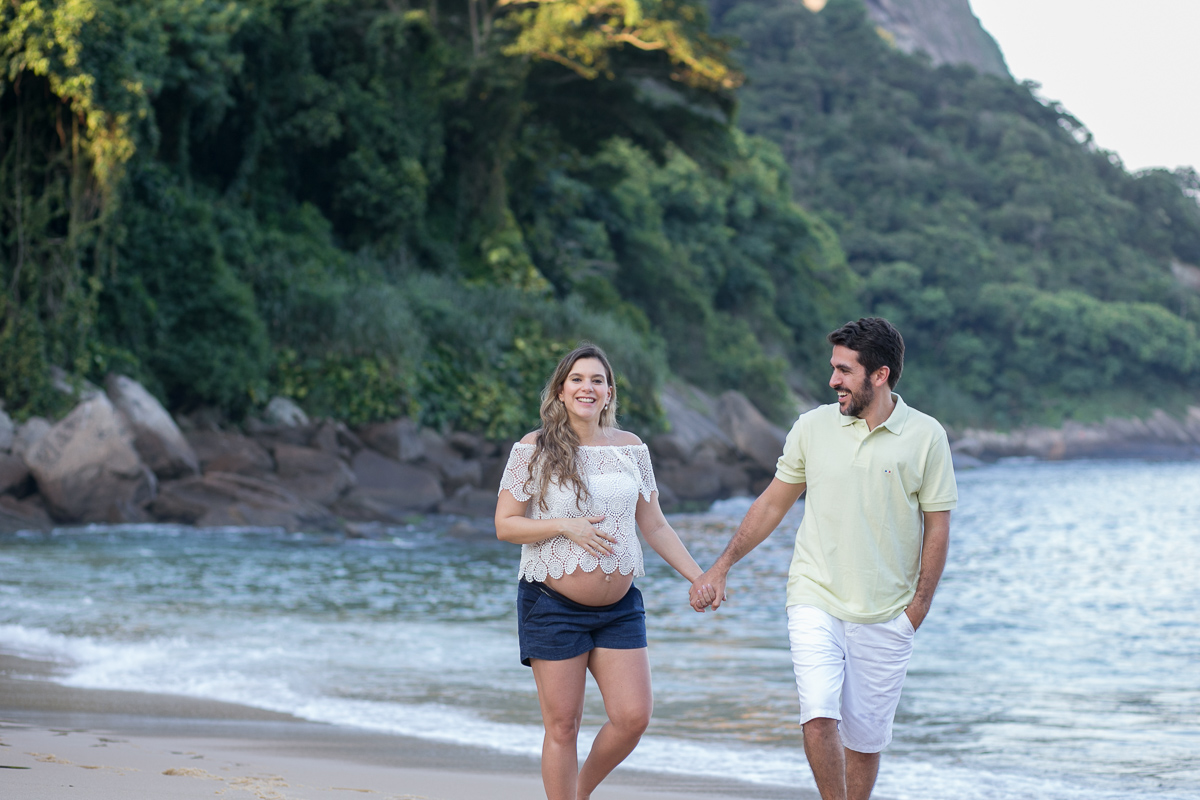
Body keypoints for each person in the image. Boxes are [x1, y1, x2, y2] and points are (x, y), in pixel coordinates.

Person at [689, 317, 957, 800]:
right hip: (814, 595)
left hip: (888, 611)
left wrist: (917, 610)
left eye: (845, 370)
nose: (833, 380)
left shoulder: (926, 436)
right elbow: (773, 503)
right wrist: (722, 565)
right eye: (834, 368)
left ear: (880, 375)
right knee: (817, 715)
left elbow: (938, 526)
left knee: (865, 740)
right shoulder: (812, 427)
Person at [495, 342, 714, 800]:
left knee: (633, 717)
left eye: (597, 380)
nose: (587, 388)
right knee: (563, 725)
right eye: (576, 379)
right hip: (552, 606)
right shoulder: (534, 447)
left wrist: (699, 576)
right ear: (560, 390)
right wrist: (565, 526)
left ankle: (578, 792)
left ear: (609, 392)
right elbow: (506, 525)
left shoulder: (630, 448)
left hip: (619, 608)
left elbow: (654, 525)